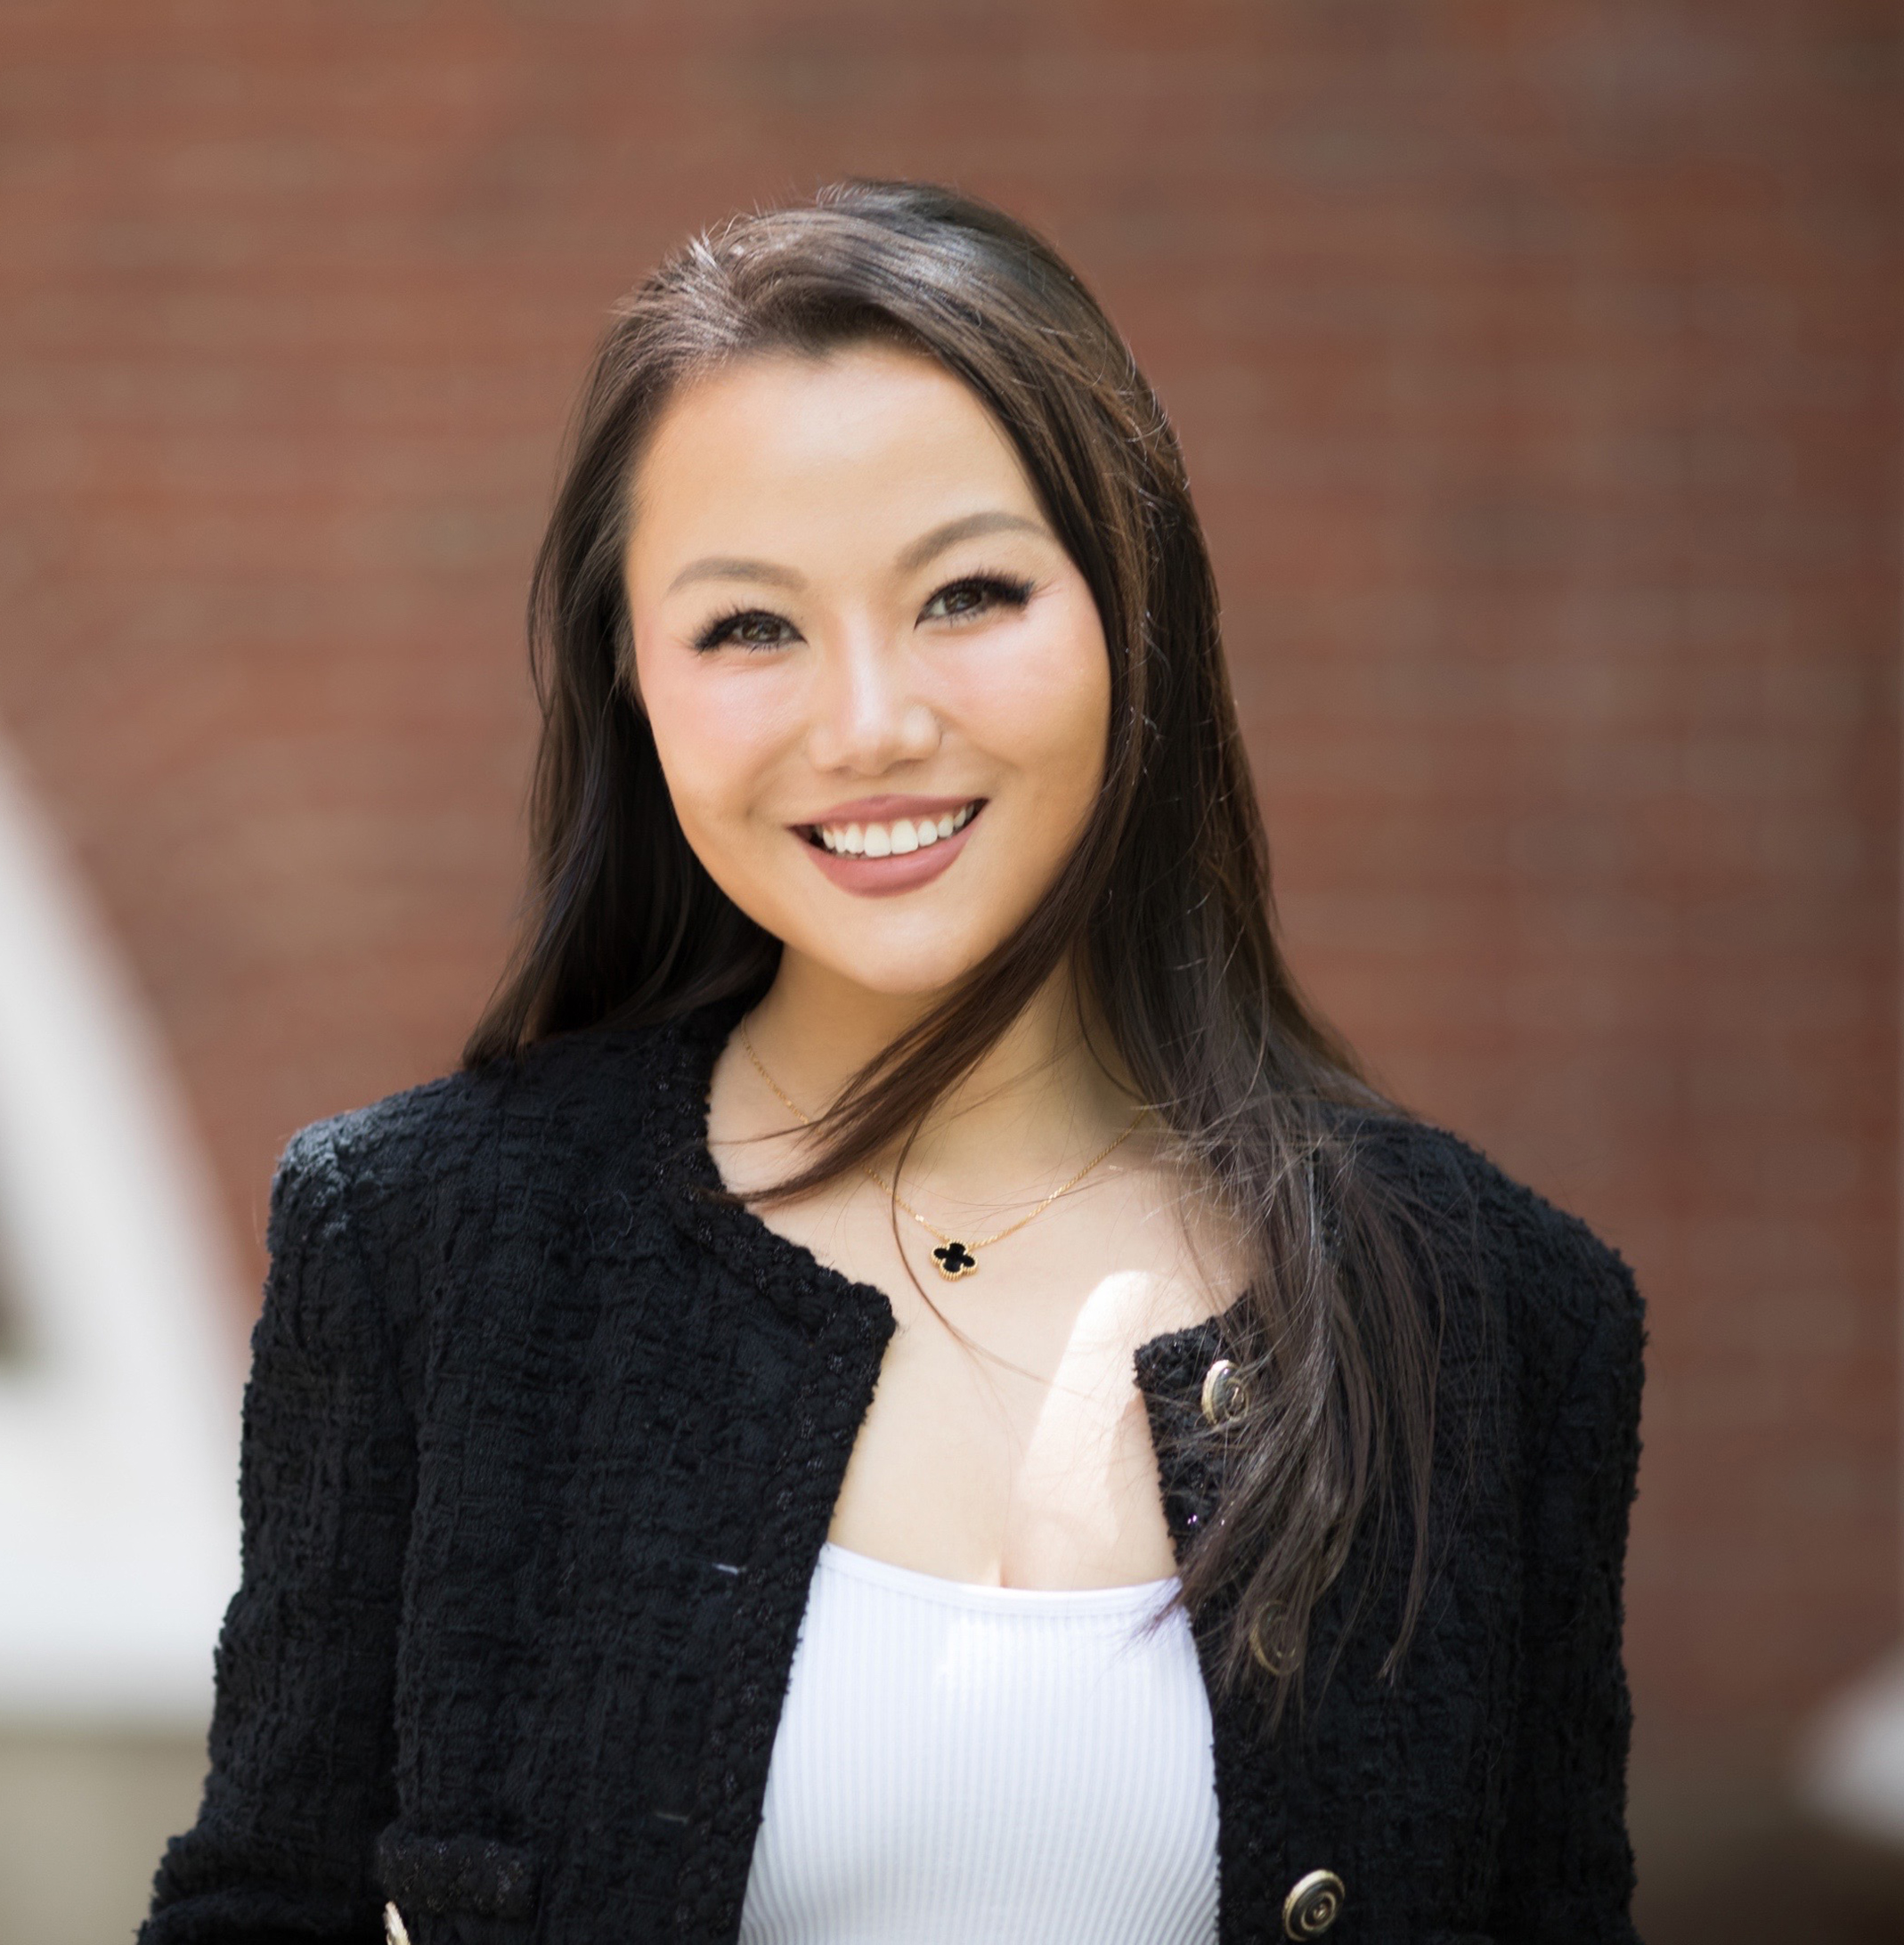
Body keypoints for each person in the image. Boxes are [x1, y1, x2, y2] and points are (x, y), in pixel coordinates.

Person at [140, 182, 1643, 1945]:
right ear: (629, 676)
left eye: (968, 593)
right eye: (749, 627)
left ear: (1132, 606)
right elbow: (263, 1895)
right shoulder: (424, 1246)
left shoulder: (1493, 1312)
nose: (868, 724)